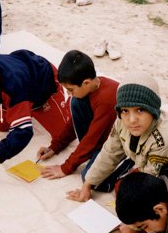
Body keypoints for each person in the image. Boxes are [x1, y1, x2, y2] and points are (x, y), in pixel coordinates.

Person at [66, 75, 168, 233]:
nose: (131, 119)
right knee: (115, 187)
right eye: (125, 111)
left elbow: (151, 186)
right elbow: (110, 151)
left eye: (140, 110)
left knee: (159, 217)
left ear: (153, 111)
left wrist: (133, 226)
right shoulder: (122, 121)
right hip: (150, 164)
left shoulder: (165, 140)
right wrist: (88, 184)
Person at [38, 50, 132, 189]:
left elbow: (92, 138)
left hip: (122, 143)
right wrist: (55, 146)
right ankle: (92, 154)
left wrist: (65, 168)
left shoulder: (107, 100)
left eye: (70, 89)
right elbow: (74, 123)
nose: (68, 94)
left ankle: (129, 163)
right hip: (103, 136)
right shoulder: (90, 88)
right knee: (75, 102)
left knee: (91, 180)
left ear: (86, 83)